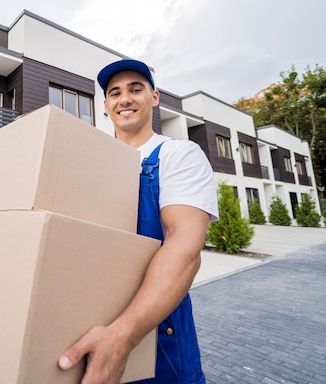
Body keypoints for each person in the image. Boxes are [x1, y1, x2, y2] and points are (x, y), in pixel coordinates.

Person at [58, 59, 219, 383]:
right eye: (115, 93)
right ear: (105, 105)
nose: (125, 98)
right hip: (90, 328)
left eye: (136, 89)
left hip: (160, 339)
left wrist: (122, 336)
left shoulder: (179, 155)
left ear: (154, 97)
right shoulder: (89, 165)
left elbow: (184, 246)